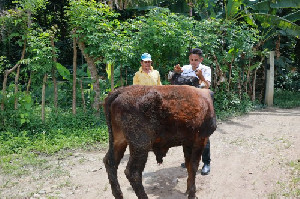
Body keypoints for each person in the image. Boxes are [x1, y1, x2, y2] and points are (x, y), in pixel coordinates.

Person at [173, 48, 212, 175]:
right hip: (187, 106)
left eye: (196, 60)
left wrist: (201, 77)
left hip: (201, 106)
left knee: (203, 134)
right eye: (191, 59)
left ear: (201, 59)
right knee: (187, 134)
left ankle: (206, 163)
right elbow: (177, 82)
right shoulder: (185, 68)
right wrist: (177, 72)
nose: (193, 62)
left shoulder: (206, 69)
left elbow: (207, 86)